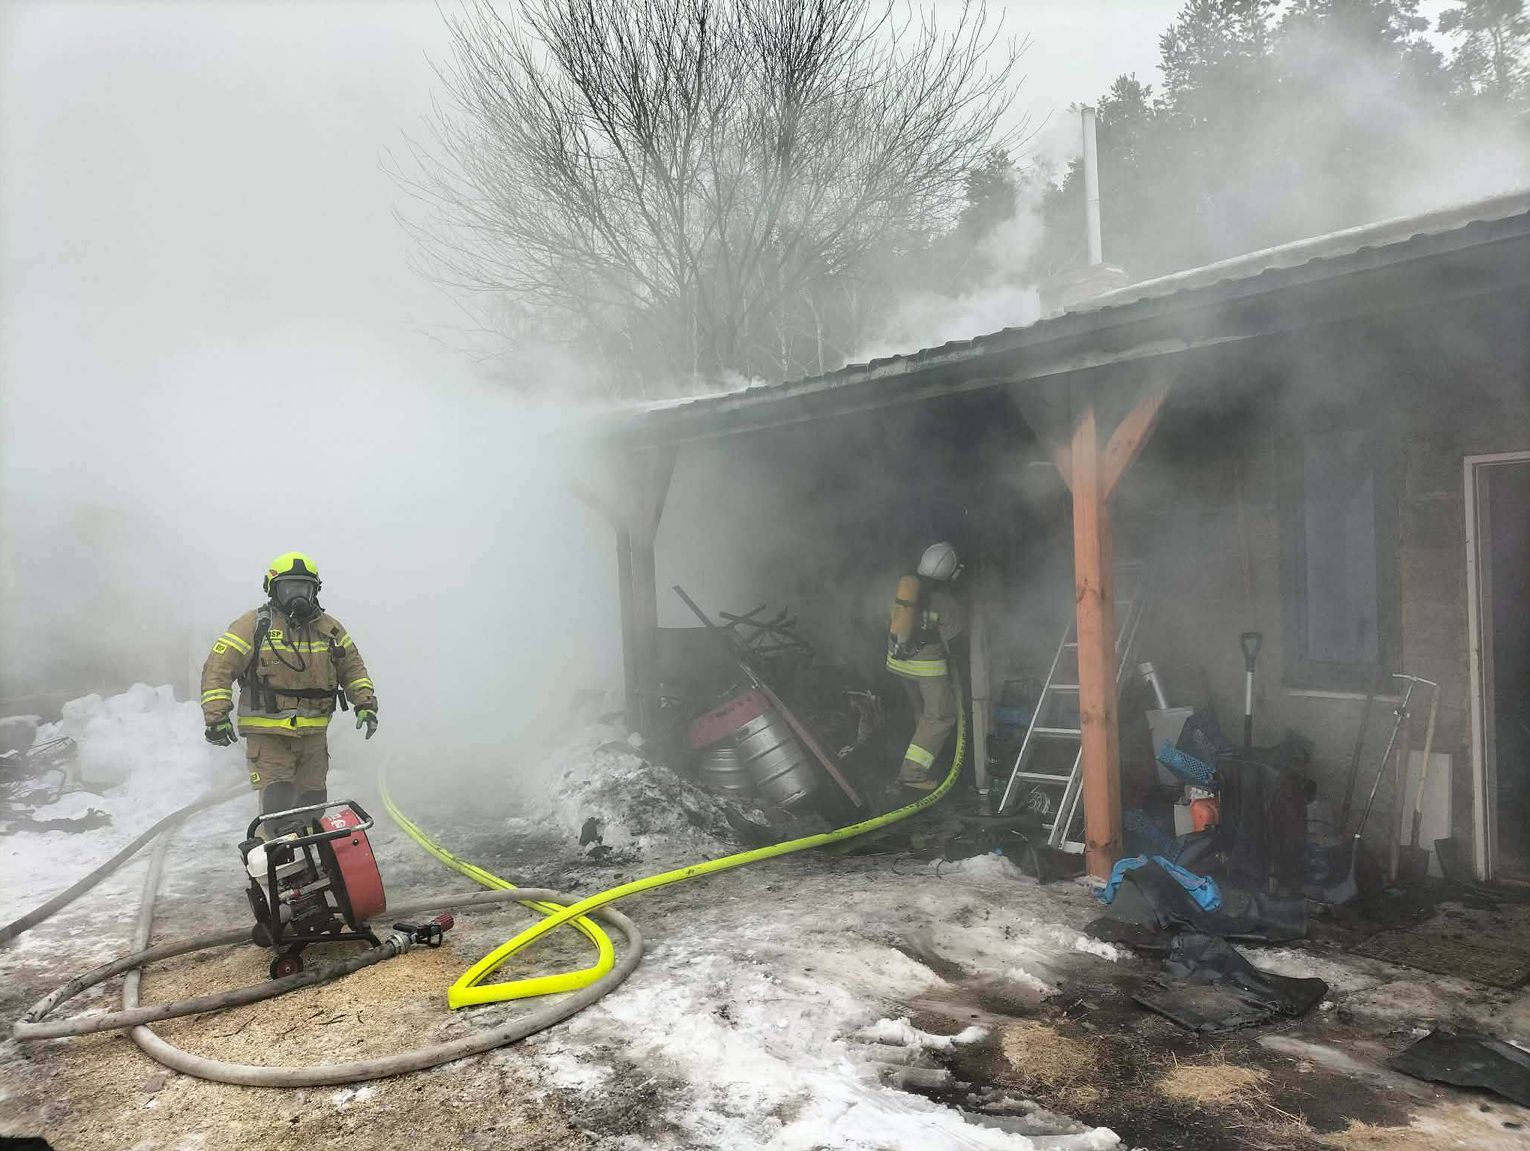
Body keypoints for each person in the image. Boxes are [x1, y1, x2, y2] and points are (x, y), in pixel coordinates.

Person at [200, 552, 378, 813]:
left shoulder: (329, 629)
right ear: (273, 590)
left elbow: (353, 668)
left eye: (304, 588)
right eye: (290, 587)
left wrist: (365, 703)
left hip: (313, 739)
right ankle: (272, 853)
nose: (298, 595)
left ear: (314, 590)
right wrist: (216, 718)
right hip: (269, 737)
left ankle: (309, 853)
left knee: (313, 806)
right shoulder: (253, 626)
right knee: (278, 807)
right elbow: (218, 669)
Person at [886, 541, 967, 791]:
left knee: (921, 714)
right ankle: (913, 773)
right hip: (926, 668)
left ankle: (922, 752)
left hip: (897, 661)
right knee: (940, 716)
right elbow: (956, 643)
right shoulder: (947, 603)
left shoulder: (908, 589)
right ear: (952, 573)